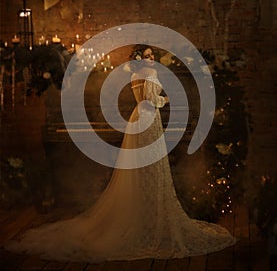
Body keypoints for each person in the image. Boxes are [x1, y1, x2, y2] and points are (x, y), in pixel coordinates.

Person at [5, 44, 236, 262]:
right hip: (148, 120)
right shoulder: (148, 74)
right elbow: (151, 99)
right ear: (140, 59)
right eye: (147, 56)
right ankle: (149, 219)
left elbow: (142, 99)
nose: (151, 59)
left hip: (139, 118)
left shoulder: (136, 75)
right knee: (150, 168)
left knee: (143, 169)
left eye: (152, 56)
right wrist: (166, 99)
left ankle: (143, 216)